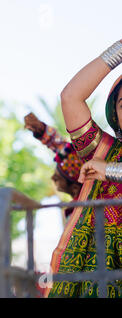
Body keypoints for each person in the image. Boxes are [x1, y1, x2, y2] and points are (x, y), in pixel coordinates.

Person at [47, 40, 122, 298]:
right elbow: (70, 97)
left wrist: (111, 171)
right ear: (114, 112)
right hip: (102, 270)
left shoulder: (106, 160)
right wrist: (120, 49)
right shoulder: (103, 149)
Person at [24, 112, 83, 219]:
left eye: (58, 176)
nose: (52, 178)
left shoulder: (76, 210)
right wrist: (41, 131)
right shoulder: (77, 207)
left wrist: (42, 131)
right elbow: (60, 146)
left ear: (75, 188)